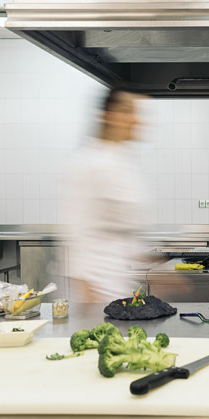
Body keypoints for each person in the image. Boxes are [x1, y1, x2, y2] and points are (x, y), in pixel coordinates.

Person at [63, 89, 148, 302]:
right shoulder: (88, 162)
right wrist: (86, 288)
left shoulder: (124, 162)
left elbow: (125, 231)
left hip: (120, 283)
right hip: (95, 288)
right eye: (128, 112)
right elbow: (76, 231)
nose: (137, 120)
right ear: (108, 115)